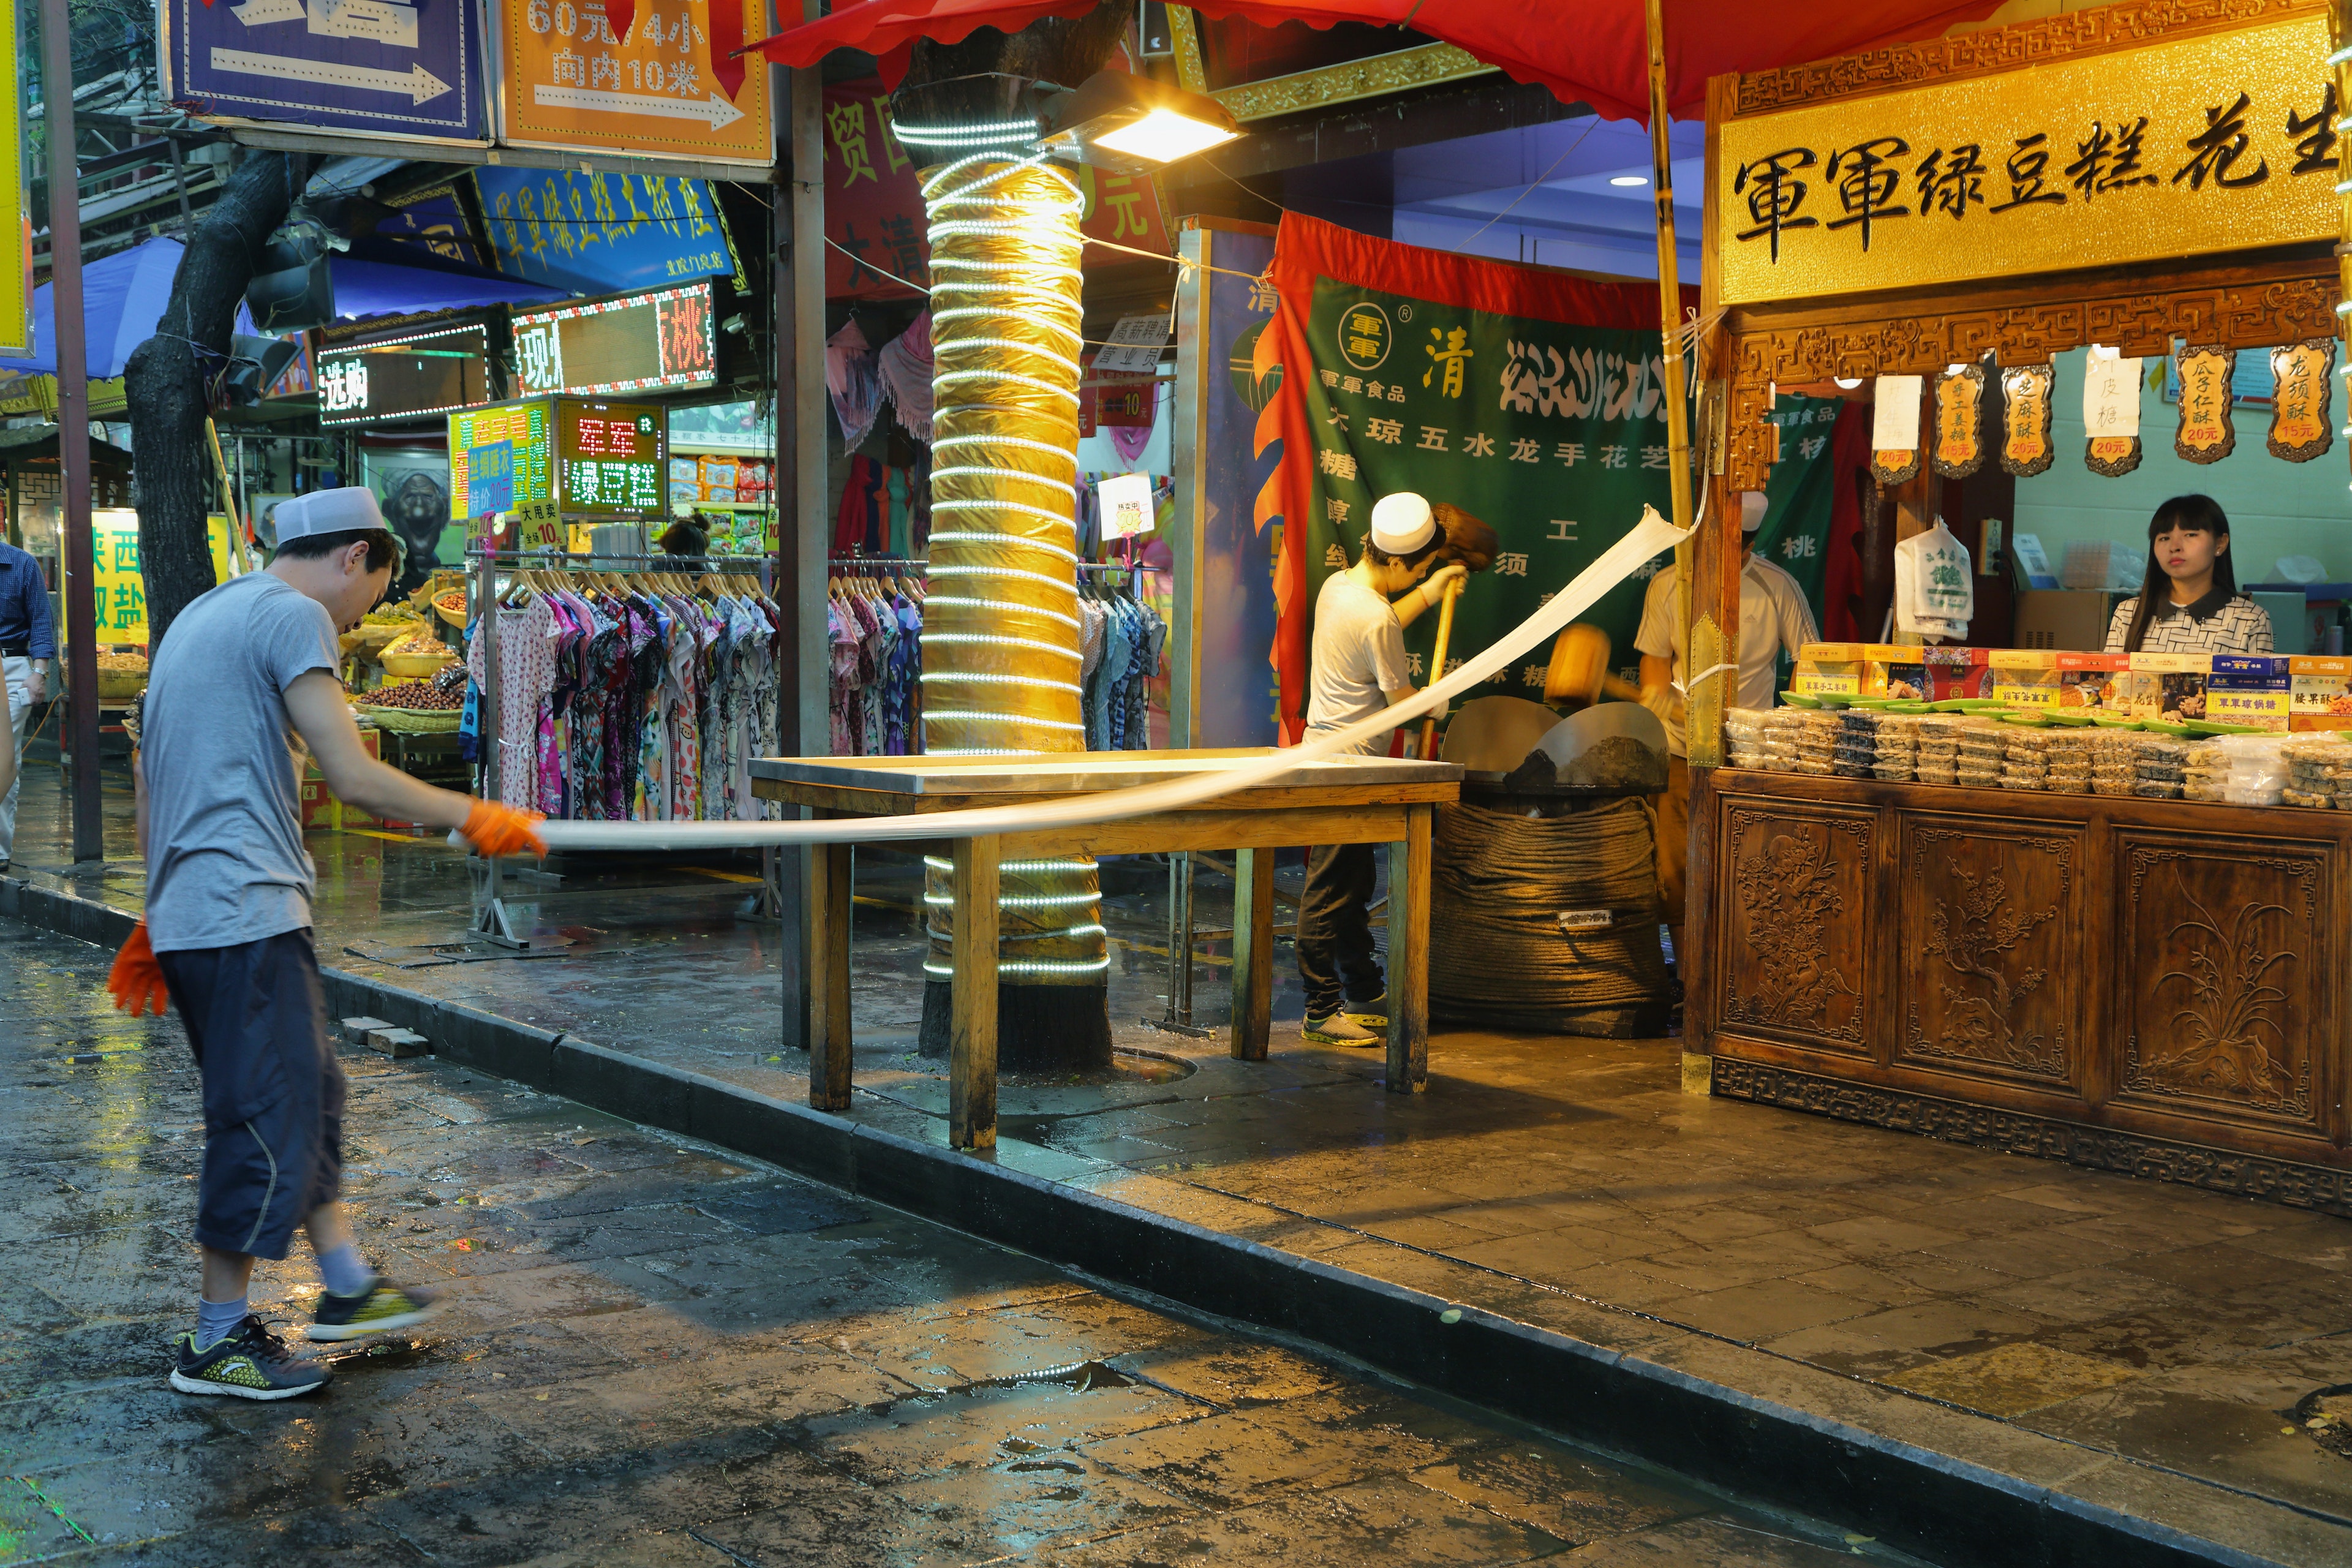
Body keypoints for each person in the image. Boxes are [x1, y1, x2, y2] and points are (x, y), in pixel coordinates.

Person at [106, 487, 548, 1401]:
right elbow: (352, 777)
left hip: (206, 909)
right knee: (263, 1117)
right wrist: (475, 815)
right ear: (355, 557)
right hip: (243, 911)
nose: (366, 619)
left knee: (308, 1093)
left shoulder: (206, 613)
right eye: (378, 596)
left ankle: (345, 1284)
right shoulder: (293, 615)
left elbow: (156, 767)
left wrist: (161, 909)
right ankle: (217, 1342)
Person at [1297, 491, 1466, 1047]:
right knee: (1329, 892)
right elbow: (1404, 702)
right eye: (1420, 569)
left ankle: (1363, 992)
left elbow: (1383, 618)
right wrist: (1441, 701)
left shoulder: (1338, 589)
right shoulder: (1375, 620)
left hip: (1330, 759)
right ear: (1395, 562)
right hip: (1346, 771)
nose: (1422, 574)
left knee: (1354, 885)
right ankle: (1321, 1010)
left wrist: (1430, 590)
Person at [1635, 491, 1819, 973]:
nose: (1720, 555)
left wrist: (1782, 724)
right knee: (1675, 866)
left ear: (1747, 546)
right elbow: (1653, 659)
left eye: (1733, 548)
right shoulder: (1667, 585)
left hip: (1748, 755)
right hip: (1679, 750)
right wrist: (1657, 695)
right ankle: (1692, 974)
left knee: (1748, 863)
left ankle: (1741, 969)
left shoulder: (1778, 586)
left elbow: (1811, 662)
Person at [2105, 494, 2273, 655]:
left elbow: (2257, 685)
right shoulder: (2128, 614)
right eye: (2164, 538)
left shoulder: (2250, 620)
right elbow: (2111, 684)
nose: (2175, 547)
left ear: (2220, 543)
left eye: (2190, 535)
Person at [0, 532, 54, 872]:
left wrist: (40, 672)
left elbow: (41, 619)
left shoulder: (21, 563)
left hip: (11, 666)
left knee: (4, 754)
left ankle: (0, 850)